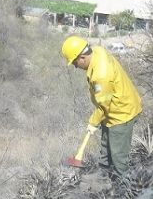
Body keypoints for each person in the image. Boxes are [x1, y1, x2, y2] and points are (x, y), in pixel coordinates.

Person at [61, 36, 142, 179]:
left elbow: (104, 105)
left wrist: (93, 122)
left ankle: (123, 191)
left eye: (74, 62)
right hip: (112, 111)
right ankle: (104, 177)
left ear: (83, 57)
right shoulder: (97, 51)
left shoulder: (100, 75)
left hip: (121, 113)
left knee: (118, 156)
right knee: (105, 148)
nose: (75, 66)